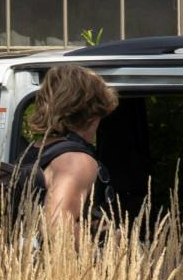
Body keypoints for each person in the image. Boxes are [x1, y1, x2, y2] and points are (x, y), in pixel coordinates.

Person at [18, 64, 119, 233]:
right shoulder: (75, 161)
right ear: (94, 110)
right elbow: (56, 230)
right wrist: (108, 240)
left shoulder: (36, 149)